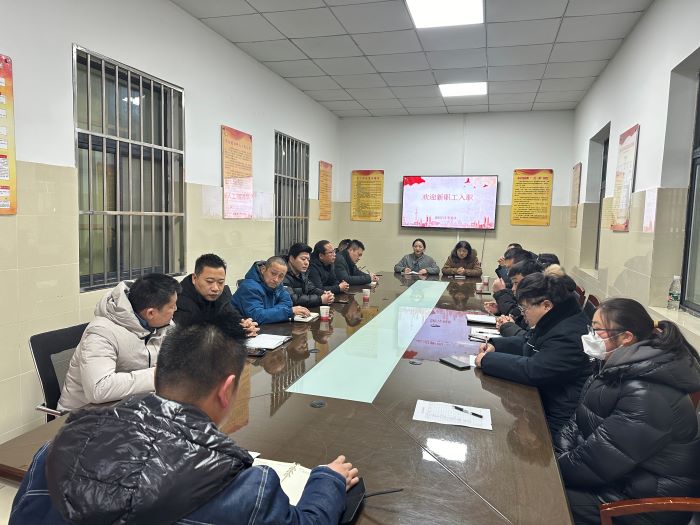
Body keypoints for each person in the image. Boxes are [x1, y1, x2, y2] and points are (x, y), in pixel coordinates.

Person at [11, 319, 360, 525]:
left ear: (159, 373)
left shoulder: (54, 451)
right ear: (226, 390)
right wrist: (327, 480)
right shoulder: (247, 489)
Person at [556, 298, 700, 525]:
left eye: (597, 330)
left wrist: (553, 470)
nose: (591, 337)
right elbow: (576, 422)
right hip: (617, 480)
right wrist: (557, 456)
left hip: (643, 505)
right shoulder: (615, 367)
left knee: (538, 496)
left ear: (626, 337)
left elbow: (598, 462)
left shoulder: (648, 394)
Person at [475, 271, 591, 438]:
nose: (523, 314)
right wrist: (495, 346)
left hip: (556, 421)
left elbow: (535, 370)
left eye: (525, 308)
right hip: (542, 402)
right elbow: (528, 342)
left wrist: (488, 361)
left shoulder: (570, 334)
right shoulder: (556, 317)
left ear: (546, 305)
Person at [57, 274, 181, 411]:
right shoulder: (101, 333)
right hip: (84, 416)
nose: (176, 309)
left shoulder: (162, 324)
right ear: (151, 313)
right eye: (172, 306)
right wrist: (157, 375)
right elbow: (99, 389)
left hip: (131, 407)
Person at [174, 253, 258, 337]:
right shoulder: (179, 298)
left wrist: (245, 326)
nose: (216, 288)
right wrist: (235, 330)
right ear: (194, 278)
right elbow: (196, 334)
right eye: (209, 281)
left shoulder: (222, 293)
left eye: (220, 282)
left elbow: (232, 316)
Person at [232, 256, 311, 324]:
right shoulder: (249, 287)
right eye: (273, 273)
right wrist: (287, 312)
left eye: (281, 276)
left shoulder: (278, 284)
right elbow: (257, 316)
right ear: (263, 269)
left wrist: (269, 312)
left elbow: (287, 303)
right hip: (240, 330)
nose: (276, 279)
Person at [284, 242, 334, 307]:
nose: (306, 263)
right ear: (291, 258)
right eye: (303, 259)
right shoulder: (281, 272)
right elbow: (292, 298)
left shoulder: (302, 271)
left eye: (308, 260)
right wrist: (320, 299)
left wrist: (325, 293)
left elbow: (310, 289)